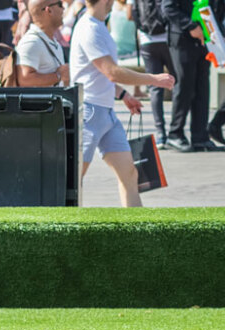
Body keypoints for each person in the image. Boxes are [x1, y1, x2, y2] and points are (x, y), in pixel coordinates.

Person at [71, 0, 175, 207]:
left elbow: (98, 74)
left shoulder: (98, 25)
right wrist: (153, 79)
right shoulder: (89, 28)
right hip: (89, 112)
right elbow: (111, 71)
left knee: (129, 173)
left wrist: (123, 95)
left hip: (105, 112)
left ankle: (135, 230)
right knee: (74, 177)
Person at [161, 0, 225, 151]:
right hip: (182, 38)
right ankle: (175, 134)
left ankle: (200, 137)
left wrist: (219, 35)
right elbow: (168, 7)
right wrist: (190, 26)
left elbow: (219, 8)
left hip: (206, 39)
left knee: (202, 87)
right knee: (184, 85)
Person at [134, 0, 175, 147]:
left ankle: (160, 134)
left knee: (155, 88)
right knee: (175, 83)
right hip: (168, 39)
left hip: (147, 40)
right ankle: (175, 132)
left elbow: (133, 14)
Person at [16, 0, 69, 87]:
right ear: (49, 11)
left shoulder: (51, 41)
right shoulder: (31, 42)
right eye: (60, 4)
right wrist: (58, 76)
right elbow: (24, 79)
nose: (63, 8)